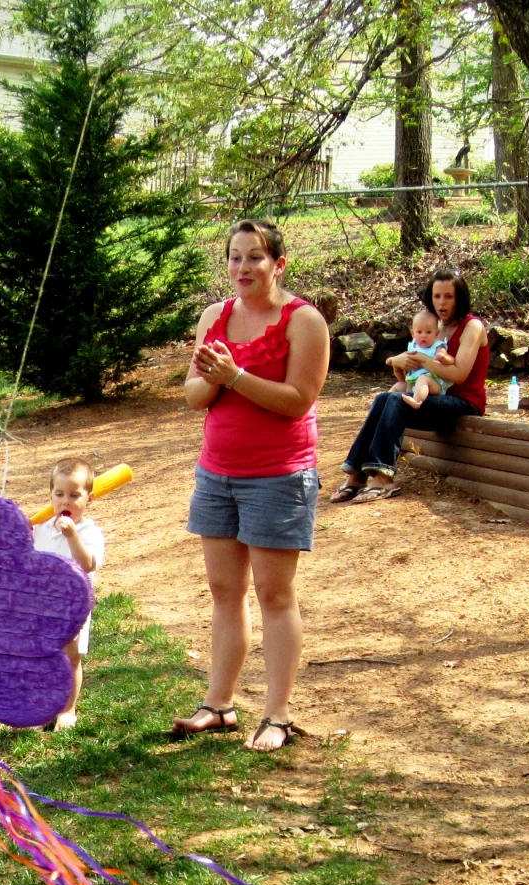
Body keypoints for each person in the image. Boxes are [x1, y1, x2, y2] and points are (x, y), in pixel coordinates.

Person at [174, 219, 330, 754]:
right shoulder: (213, 317)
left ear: (278, 264)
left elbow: (298, 401)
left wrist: (235, 376)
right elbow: (194, 396)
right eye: (235, 257)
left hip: (278, 476)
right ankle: (219, 705)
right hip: (217, 472)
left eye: (255, 257)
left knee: (274, 594)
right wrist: (213, 377)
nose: (243, 267)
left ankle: (278, 715)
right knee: (224, 592)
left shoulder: (303, 321)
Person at [332, 267, 489, 503]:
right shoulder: (433, 326)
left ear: (460, 298)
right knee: (384, 398)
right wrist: (399, 363)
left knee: (396, 401)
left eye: (449, 296)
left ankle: (383, 477)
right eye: (437, 296)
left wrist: (422, 359)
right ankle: (356, 475)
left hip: (463, 403)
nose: (442, 303)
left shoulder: (472, 326)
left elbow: (459, 375)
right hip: (433, 397)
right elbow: (410, 377)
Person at [29, 458, 105, 730]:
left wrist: (73, 536)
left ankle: (67, 710)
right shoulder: (41, 528)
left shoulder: (89, 532)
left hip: (73, 607)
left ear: (89, 498)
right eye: (59, 494)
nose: (66, 501)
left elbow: (87, 564)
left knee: (70, 658)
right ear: (50, 495)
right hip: (42, 607)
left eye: (75, 495)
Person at [393, 309, 453, 409]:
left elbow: (451, 360)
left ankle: (417, 401)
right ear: (413, 333)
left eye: (428, 332)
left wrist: (444, 357)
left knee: (423, 379)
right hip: (413, 383)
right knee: (398, 385)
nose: (423, 335)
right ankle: (379, 403)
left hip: (434, 382)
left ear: (436, 334)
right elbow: (401, 365)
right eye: (419, 332)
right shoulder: (412, 347)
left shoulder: (438, 346)